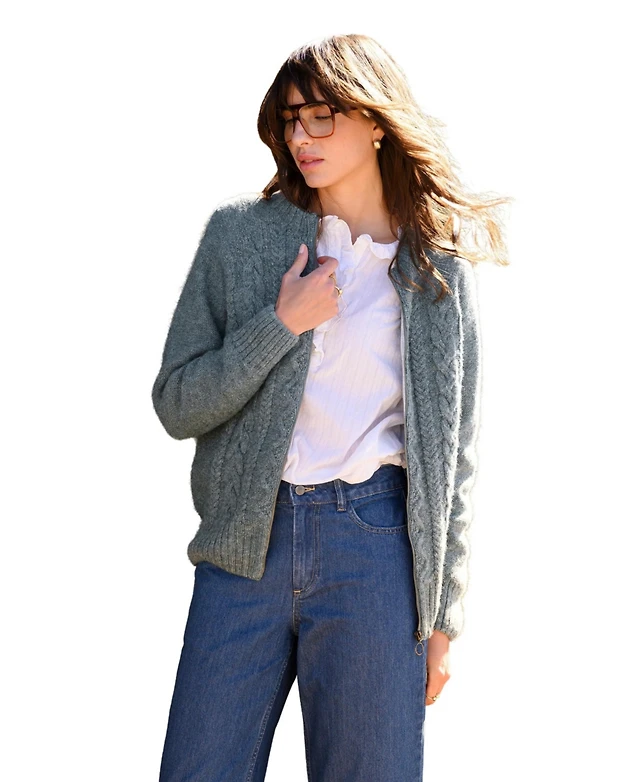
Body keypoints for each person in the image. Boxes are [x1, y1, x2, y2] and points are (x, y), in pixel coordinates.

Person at [152, 32, 510, 782]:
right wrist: (281, 325)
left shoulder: (437, 266)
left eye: (322, 117)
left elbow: (455, 454)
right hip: (244, 548)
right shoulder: (239, 237)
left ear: (375, 121)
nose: (301, 137)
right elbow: (178, 403)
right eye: (291, 120)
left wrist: (443, 615)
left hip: (376, 550)